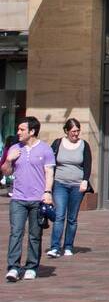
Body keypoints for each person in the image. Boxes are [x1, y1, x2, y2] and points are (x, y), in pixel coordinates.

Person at [4, 116, 55, 282]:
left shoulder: (45, 150)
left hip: (37, 199)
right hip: (18, 198)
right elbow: (6, 172)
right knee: (16, 233)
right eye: (18, 129)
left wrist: (47, 192)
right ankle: (13, 267)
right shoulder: (14, 148)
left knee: (35, 234)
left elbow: (49, 172)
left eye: (22, 129)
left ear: (32, 131)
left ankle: (31, 267)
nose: (18, 132)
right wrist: (9, 159)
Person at [46, 118, 94, 257]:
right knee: (60, 215)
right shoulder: (58, 143)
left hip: (76, 185)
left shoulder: (84, 145)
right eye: (73, 131)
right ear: (66, 131)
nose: (76, 134)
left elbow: (87, 164)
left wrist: (85, 180)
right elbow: (49, 162)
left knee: (72, 218)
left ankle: (68, 246)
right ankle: (55, 247)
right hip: (60, 183)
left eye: (78, 131)